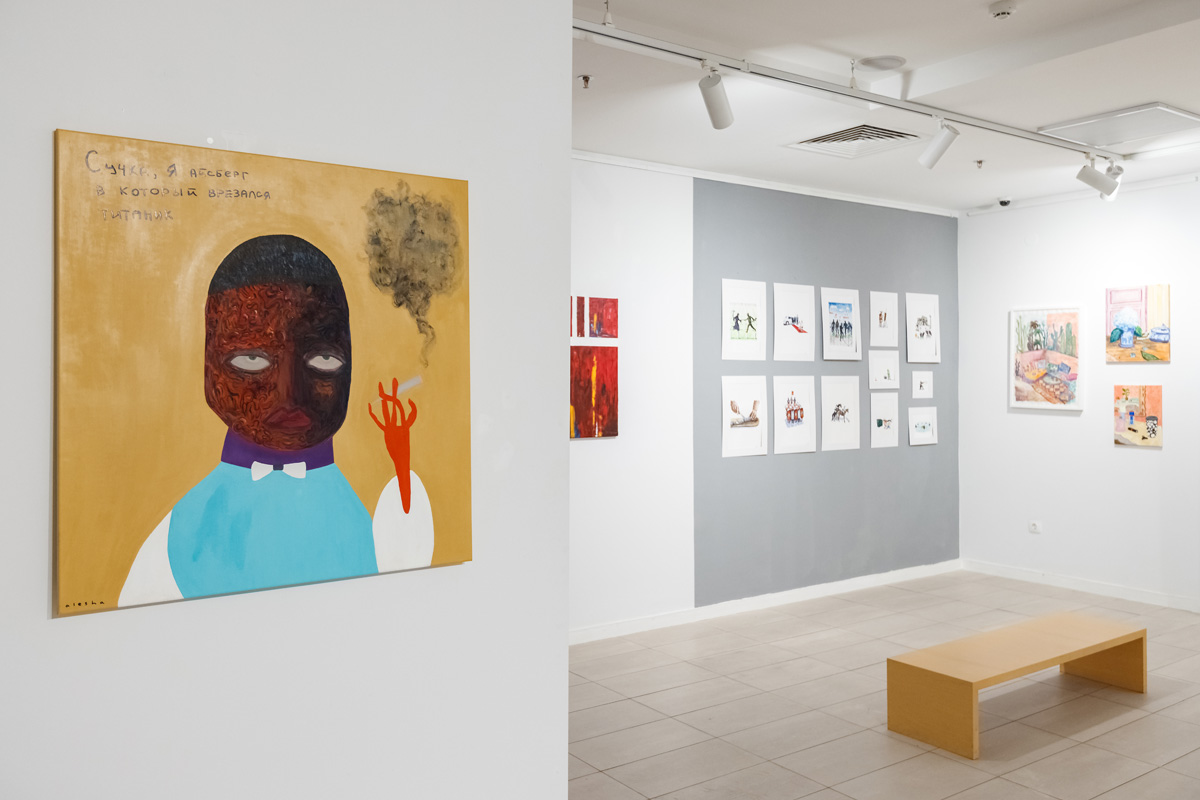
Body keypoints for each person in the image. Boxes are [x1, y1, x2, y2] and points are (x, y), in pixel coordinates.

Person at [119, 235, 434, 606]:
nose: (290, 394)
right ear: (209, 371)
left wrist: (401, 465)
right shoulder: (177, 543)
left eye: (323, 360)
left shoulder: (358, 526)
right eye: (252, 360)